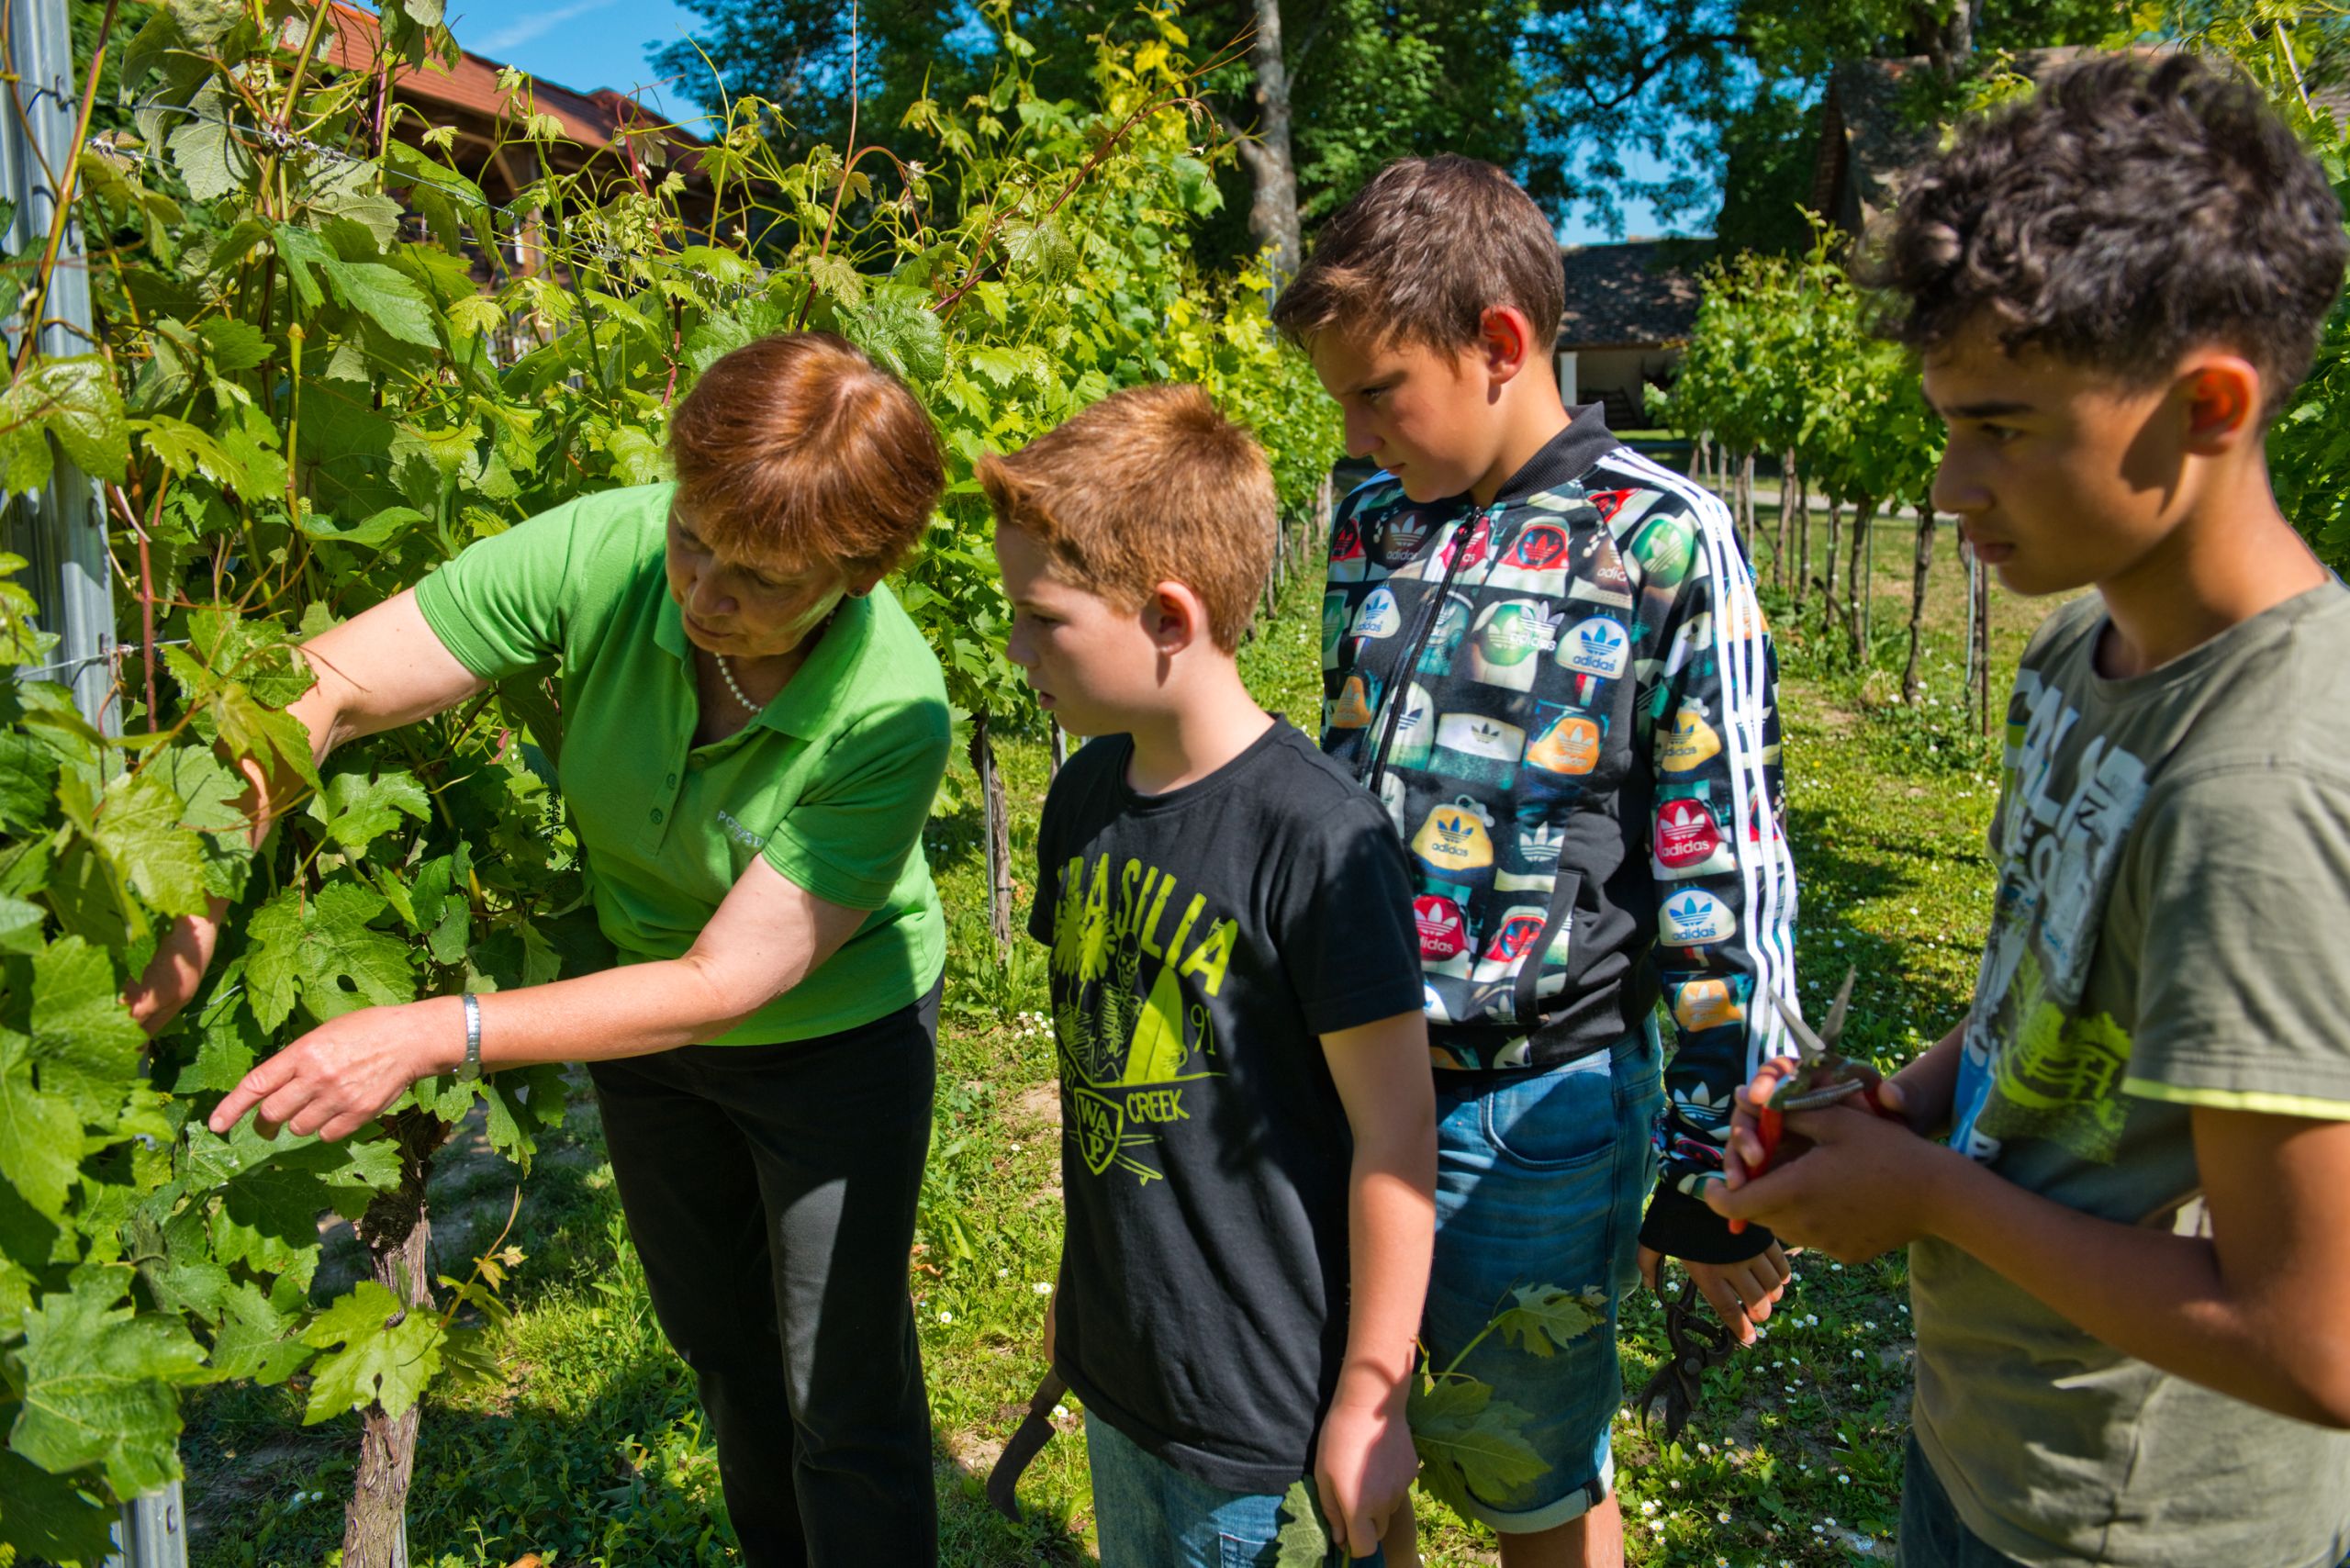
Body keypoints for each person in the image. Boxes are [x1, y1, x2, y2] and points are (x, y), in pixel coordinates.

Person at [134, 333, 957, 1567]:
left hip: (831, 1034)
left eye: (763, 580)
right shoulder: (606, 547)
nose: (703, 594)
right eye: (693, 539)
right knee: (721, 1342)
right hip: (639, 1025)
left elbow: (721, 983)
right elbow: (330, 683)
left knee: (838, 1379)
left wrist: (434, 1033)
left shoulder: (893, 710)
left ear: (859, 571)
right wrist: (192, 890)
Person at [1708, 52, 2350, 1568]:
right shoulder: (2085, 645)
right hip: (2001, 1444)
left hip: (2149, 1523)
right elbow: (2044, 988)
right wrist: (1908, 1102)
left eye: (2000, 425)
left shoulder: (2258, 792)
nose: (1947, 483)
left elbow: (2314, 1337)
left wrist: (1929, 1194)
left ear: (2206, 405)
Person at [1272, 155, 1802, 1565]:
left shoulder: (1659, 537)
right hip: (1354, 1070)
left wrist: (1714, 1161)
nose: (1359, 429)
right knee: (1353, 1431)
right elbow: (1340, 782)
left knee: (1530, 1472)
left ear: (1502, 344)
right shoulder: (1372, 520)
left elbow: (1722, 868)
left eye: (1379, 391)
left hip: (1538, 1100)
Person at [988, 385, 1437, 1566]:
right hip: (1133, 1367)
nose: (1016, 650)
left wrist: (1372, 1400)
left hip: (1261, 1414)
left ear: (1169, 618)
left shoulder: (1319, 842)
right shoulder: (1084, 797)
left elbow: (1395, 1142)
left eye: (1041, 618)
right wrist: (1083, 1307)